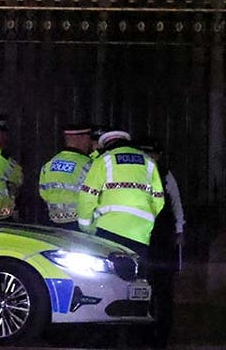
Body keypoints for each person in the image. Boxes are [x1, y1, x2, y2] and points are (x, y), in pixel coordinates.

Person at [76, 130, 165, 261]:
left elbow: (88, 196)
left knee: (110, 274)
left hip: (109, 228)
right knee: (137, 275)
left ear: (106, 145)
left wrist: (86, 225)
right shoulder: (149, 161)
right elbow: (158, 199)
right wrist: (146, 217)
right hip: (140, 232)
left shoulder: (103, 160)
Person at [136, 138, 185, 348]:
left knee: (163, 290)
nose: (150, 159)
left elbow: (176, 204)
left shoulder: (165, 174)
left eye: (152, 155)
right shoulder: (137, 173)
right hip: (142, 236)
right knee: (144, 287)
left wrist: (179, 230)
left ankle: (162, 334)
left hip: (161, 239)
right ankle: (144, 333)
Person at [38, 125, 94, 230]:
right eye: (88, 138)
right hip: (80, 224)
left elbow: (43, 193)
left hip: (53, 222)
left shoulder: (49, 165)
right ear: (82, 138)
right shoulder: (88, 165)